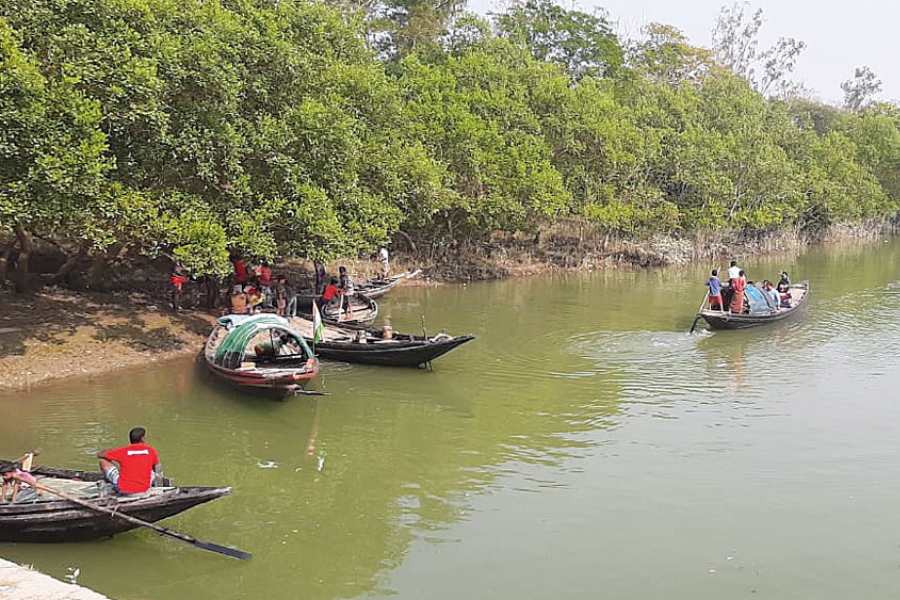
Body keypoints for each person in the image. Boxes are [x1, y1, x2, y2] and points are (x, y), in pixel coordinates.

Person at [98, 427, 160, 495]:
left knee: (103, 461)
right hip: (143, 489)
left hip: (124, 489)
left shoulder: (123, 451)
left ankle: (108, 481)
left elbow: (100, 455)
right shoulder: (151, 451)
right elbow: (156, 467)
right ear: (142, 438)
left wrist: (110, 452)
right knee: (153, 471)